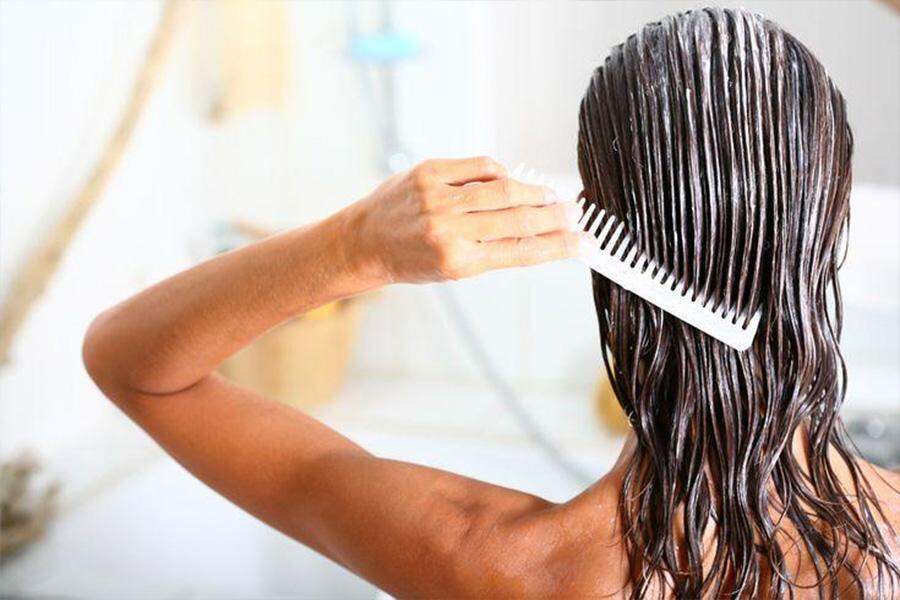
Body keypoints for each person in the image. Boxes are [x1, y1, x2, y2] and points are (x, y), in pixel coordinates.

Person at [83, 7, 898, 598]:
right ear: (832, 219)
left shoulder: (505, 565)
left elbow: (133, 365)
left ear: (604, 232)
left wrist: (351, 243)